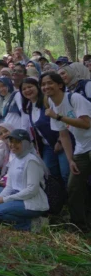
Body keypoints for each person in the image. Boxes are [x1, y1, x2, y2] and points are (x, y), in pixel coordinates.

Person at [42, 72, 91, 231]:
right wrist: (70, 160)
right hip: (82, 148)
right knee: (73, 187)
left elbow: (86, 124)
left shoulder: (74, 98)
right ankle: (79, 226)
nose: (46, 86)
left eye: (50, 83)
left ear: (60, 85)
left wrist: (58, 116)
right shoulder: (51, 104)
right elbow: (63, 135)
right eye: (43, 84)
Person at [0, 130, 49, 232]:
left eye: (17, 142)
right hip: (17, 196)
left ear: (25, 143)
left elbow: (31, 190)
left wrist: (6, 200)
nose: (13, 145)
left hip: (30, 200)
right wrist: (1, 198)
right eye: (11, 142)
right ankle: (20, 217)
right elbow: (10, 186)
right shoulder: (15, 160)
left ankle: (33, 224)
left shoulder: (31, 161)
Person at [21, 77, 68, 184]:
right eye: (24, 89)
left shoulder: (47, 102)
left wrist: (60, 141)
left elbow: (62, 122)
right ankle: (60, 198)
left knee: (66, 173)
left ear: (37, 87)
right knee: (51, 173)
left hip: (62, 142)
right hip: (47, 146)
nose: (27, 90)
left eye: (30, 87)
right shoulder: (29, 107)